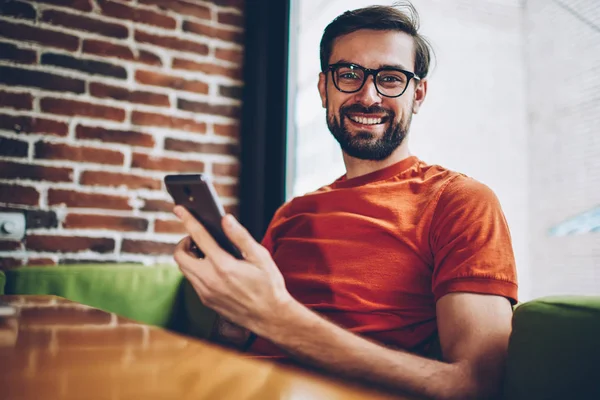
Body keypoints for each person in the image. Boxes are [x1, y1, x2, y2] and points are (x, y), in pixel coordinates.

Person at [172, 3, 518, 399]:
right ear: (324, 89)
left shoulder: (460, 201)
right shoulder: (292, 214)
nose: (368, 96)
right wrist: (231, 312)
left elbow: (475, 385)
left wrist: (279, 318)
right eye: (348, 75)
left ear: (417, 95)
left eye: (390, 78)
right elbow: (232, 348)